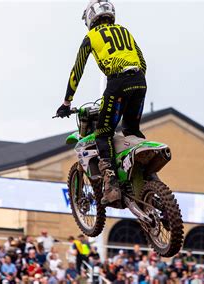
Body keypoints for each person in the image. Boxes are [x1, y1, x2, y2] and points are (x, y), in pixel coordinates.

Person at [56, 0, 148, 208]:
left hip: (117, 83)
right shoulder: (124, 31)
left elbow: (76, 71)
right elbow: (142, 62)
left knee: (103, 133)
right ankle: (144, 178)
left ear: (90, 17)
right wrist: (135, 80)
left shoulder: (91, 37)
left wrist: (66, 101)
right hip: (140, 81)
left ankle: (112, 185)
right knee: (131, 129)